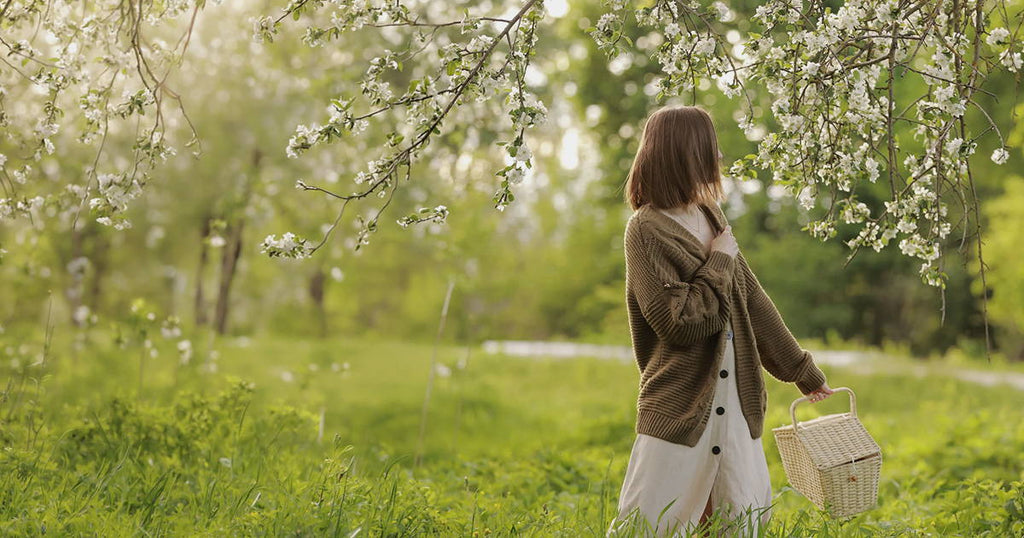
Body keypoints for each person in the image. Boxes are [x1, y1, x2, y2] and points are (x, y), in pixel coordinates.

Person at [609, 106, 835, 537]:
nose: (717, 156)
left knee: (740, 522)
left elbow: (751, 299)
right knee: (649, 525)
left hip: (736, 401)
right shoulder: (645, 230)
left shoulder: (710, 215)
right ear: (684, 153)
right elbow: (680, 323)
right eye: (709, 147)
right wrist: (719, 259)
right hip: (679, 404)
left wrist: (801, 371)